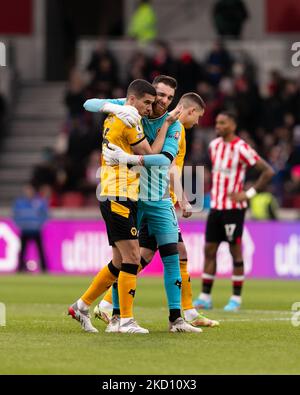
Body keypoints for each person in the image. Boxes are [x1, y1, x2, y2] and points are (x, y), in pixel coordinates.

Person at [97, 92, 219, 329]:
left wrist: (181, 197)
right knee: (131, 259)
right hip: (139, 197)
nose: (164, 100)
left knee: (161, 255)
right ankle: (110, 308)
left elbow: (169, 164)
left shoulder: (171, 126)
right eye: (161, 94)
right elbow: (89, 103)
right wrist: (112, 108)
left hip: (162, 200)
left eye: (169, 96)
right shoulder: (137, 113)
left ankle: (181, 315)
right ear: (190, 111)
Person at [68, 79, 176, 334]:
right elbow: (150, 155)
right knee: (131, 257)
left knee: (119, 261)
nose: (150, 108)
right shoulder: (129, 120)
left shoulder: (116, 115)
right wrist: (166, 126)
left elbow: (95, 105)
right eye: (147, 102)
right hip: (118, 194)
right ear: (132, 100)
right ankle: (124, 320)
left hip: (116, 193)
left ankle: (81, 306)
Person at [193, 111, 275, 312]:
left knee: (234, 251)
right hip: (216, 207)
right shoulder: (213, 146)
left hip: (234, 210)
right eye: (217, 123)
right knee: (209, 250)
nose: (218, 126)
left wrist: (248, 193)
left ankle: (236, 299)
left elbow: (268, 171)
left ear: (233, 125)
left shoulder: (241, 147)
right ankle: (205, 297)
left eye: (223, 123)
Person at [13, 184, 49, 273]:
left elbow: (45, 215)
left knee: (40, 250)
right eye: (27, 190)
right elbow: (15, 215)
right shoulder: (20, 202)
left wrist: (38, 225)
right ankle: (20, 268)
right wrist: (21, 225)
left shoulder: (40, 202)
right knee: (22, 251)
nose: (28, 192)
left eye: (30, 190)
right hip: (25, 230)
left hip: (36, 230)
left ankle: (44, 269)